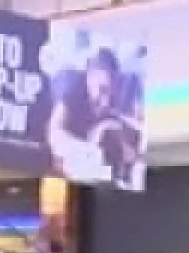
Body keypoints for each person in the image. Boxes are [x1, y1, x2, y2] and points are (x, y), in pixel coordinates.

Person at [45, 47, 142, 186]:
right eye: (102, 90)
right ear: (89, 78)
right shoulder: (72, 86)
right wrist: (88, 149)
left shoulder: (118, 94)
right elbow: (53, 132)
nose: (106, 101)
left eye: (111, 93)